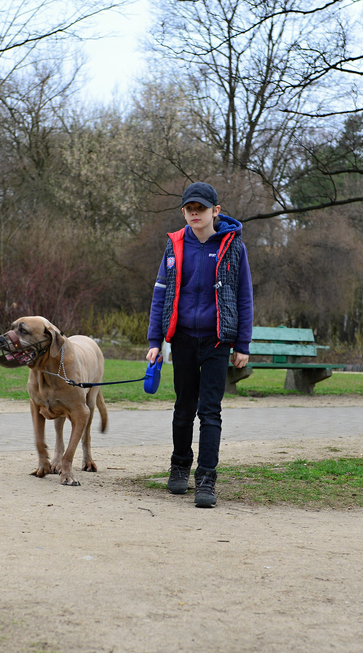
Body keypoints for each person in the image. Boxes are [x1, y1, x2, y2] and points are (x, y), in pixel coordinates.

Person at [146, 182, 253, 508]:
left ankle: (206, 478)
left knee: (210, 411)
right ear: (184, 212)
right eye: (189, 209)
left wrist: (242, 344)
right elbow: (160, 293)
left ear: (215, 211)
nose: (195, 213)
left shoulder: (234, 247)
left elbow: (244, 296)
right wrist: (154, 341)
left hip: (217, 340)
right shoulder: (175, 245)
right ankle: (179, 466)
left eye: (201, 208)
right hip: (182, 339)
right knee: (183, 408)